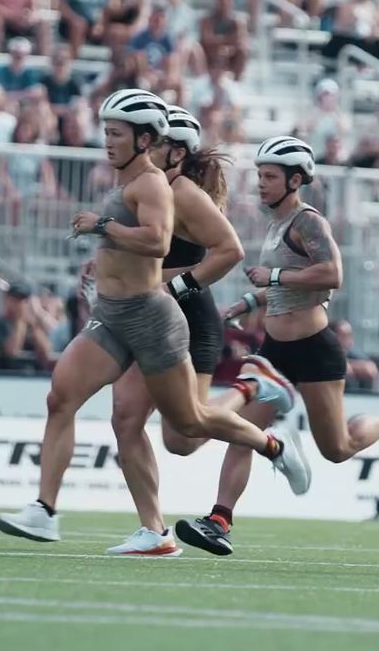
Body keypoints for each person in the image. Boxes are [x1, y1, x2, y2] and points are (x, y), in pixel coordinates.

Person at [0, 91, 313, 544]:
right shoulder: (132, 181)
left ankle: (264, 423)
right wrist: (105, 265)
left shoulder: (170, 189)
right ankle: (71, 514)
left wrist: (163, 277)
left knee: (186, 430)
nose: (109, 141)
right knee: (85, 405)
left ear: (167, 147)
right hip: (121, 312)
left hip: (172, 315)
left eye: (121, 134)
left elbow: (213, 250)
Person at [173, 135, 379, 557]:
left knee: (337, 449)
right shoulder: (278, 223)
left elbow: (332, 274)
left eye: (271, 177)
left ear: (296, 180)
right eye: (260, 175)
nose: (261, 184)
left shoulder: (307, 221)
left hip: (314, 349)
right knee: (243, 434)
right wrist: (245, 302)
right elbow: (283, 280)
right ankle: (219, 521)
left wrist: (273, 279)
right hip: (275, 351)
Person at [105, 104, 259, 555]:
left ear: (178, 153)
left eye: (160, 141)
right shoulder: (147, 185)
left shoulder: (184, 191)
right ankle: (153, 531)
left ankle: (249, 391)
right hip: (150, 311)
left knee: (182, 439)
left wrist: (175, 286)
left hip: (189, 315)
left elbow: (231, 251)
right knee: (126, 415)